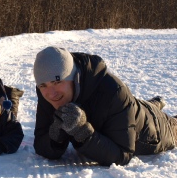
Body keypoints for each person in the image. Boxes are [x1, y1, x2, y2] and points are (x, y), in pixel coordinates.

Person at [33, 46, 177, 166]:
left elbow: (122, 155)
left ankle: (155, 107)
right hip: (128, 108)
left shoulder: (114, 91)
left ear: (74, 78)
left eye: (57, 82)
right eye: (43, 85)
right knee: (135, 105)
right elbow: (41, 143)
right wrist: (55, 136)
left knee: (169, 124)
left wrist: (83, 132)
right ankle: (155, 103)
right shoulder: (46, 91)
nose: (51, 94)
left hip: (151, 127)